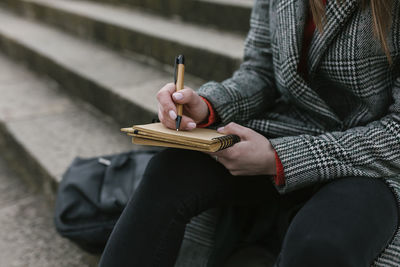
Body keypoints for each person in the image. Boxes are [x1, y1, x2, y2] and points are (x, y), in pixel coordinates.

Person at [99, 0, 400, 266]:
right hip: (289, 129)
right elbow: (261, 71)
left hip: (372, 161)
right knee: (169, 171)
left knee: (319, 246)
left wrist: (279, 158)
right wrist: (206, 106)